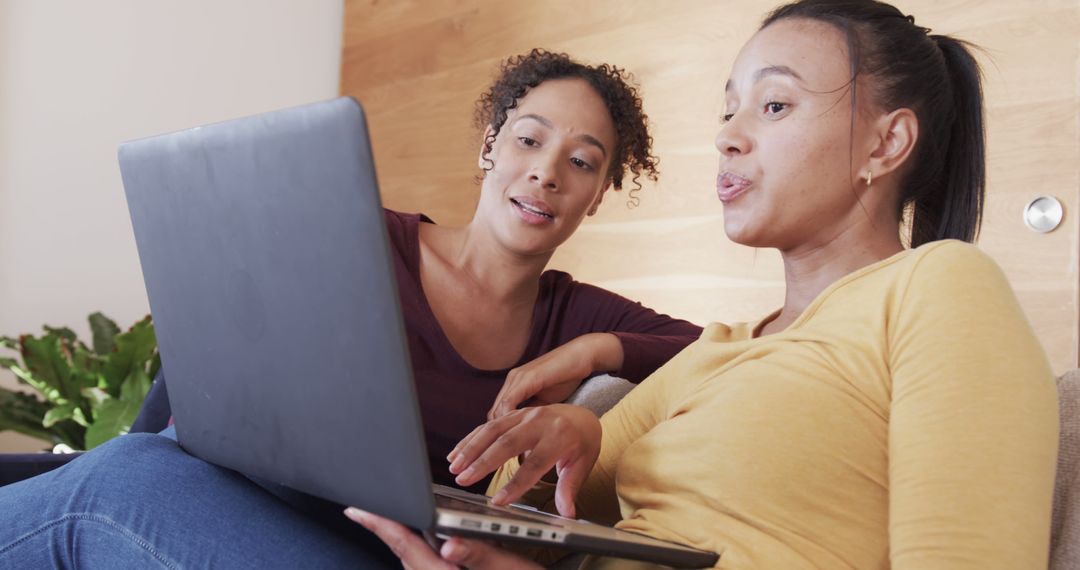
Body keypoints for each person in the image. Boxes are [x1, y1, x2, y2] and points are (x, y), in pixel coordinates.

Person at [351, 1, 1060, 568]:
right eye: (729, 110)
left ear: (885, 144)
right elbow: (546, 501)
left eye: (774, 106)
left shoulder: (939, 288)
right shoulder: (722, 347)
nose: (727, 136)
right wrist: (572, 430)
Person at [0, 50, 702, 568]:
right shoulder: (357, 236)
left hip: (368, 545)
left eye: (583, 162)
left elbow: (710, 348)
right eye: (529, 139)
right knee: (131, 473)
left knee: (127, 480)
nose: (547, 172)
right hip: (222, 491)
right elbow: (198, 371)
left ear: (600, 193)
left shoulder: (571, 316)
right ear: (491, 146)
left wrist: (592, 357)